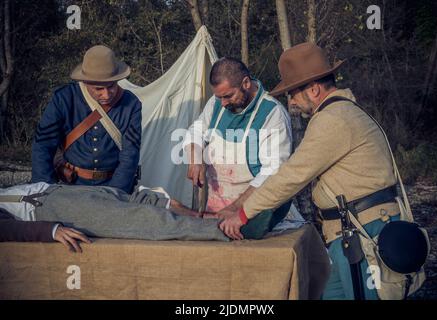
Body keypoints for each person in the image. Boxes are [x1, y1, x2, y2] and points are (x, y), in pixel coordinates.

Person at [219, 43, 402, 300]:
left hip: (365, 232)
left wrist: (243, 214)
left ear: (314, 89)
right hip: (349, 233)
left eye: (293, 93)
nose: (291, 101)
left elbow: (291, 176)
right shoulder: (341, 112)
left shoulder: (333, 119)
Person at [183, 57, 305, 240]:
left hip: (256, 216)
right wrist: (195, 158)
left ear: (246, 83)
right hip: (216, 212)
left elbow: (273, 172)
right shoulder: (217, 104)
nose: (223, 103)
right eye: (219, 97)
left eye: (228, 96)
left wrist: (236, 208)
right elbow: (195, 132)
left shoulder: (272, 114)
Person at [31, 45, 142, 193]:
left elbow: (130, 155)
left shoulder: (131, 104)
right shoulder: (64, 99)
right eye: (99, 89)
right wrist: (46, 191)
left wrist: (114, 194)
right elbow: (43, 146)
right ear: (85, 82)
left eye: (111, 86)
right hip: (70, 185)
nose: (107, 94)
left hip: (113, 184)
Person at [0, 182, 229, 252]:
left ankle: (221, 227)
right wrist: (50, 231)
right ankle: (216, 222)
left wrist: (50, 230)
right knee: (138, 203)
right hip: (52, 194)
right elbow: (7, 229)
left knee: (138, 218)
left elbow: (6, 230)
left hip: (54, 202)